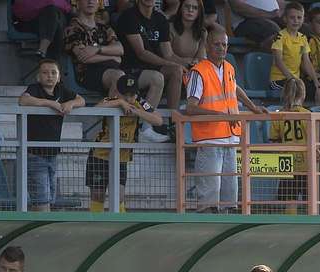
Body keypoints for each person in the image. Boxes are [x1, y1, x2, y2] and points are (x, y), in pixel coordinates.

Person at [186, 27, 267, 213]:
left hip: (230, 140)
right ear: (207, 47)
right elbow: (191, 108)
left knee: (229, 198)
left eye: (224, 44)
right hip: (210, 141)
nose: (221, 48)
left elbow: (235, 88)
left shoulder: (228, 68)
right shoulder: (198, 72)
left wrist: (252, 107)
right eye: (217, 44)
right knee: (209, 198)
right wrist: (220, 116)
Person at [87, 74, 162, 214]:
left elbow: (158, 120)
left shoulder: (140, 103)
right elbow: (96, 109)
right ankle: (95, 223)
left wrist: (136, 111)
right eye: (124, 95)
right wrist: (120, 103)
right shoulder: (110, 101)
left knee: (119, 195)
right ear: (116, 92)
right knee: (98, 195)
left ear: (137, 94)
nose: (128, 99)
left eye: (131, 95)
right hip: (99, 154)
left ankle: (119, 223)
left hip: (121, 157)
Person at [18, 59, 86, 212]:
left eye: (53, 73)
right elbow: (23, 100)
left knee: (46, 199)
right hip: (35, 153)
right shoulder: (35, 89)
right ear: (38, 77)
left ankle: (30, 224)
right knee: (42, 201)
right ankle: (41, 226)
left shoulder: (61, 90)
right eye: (45, 72)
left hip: (52, 154)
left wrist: (70, 104)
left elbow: (81, 100)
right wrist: (49, 103)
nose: (49, 76)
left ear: (59, 77)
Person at [116, 0, 185, 138]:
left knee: (176, 70)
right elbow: (141, 52)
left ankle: (173, 123)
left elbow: (169, 54)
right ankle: (145, 129)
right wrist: (168, 63)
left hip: (152, 68)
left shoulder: (160, 19)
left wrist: (188, 66)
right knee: (156, 77)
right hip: (130, 69)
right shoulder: (128, 16)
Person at [268, 3, 320, 106]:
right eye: (292, 17)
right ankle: (295, 115)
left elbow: (307, 62)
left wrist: (316, 81)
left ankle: (318, 116)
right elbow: (278, 60)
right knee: (296, 92)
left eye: (299, 18)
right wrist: (291, 78)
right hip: (279, 80)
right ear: (285, 18)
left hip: (296, 81)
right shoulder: (280, 36)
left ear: (303, 19)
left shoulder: (303, 38)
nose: (296, 21)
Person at [65, 0, 124, 97]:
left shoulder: (105, 28)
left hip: (109, 69)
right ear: (78, 4)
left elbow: (120, 49)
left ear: (98, 4)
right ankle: (111, 106)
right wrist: (113, 57)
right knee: (118, 76)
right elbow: (85, 58)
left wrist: (97, 48)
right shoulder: (73, 28)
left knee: (139, 80)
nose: (90, 1)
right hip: (86, 73)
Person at [269, 77, 310, 214]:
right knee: (310, 201)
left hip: (287, 164)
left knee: (290, 201)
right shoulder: (308, 115)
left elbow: (275, 143)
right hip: (307, 164)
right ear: (303, 94)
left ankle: (291, 224)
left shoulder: (279, 116)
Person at [169, 0, 207, 68]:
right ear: (180, 8)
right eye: (186, 6)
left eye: (195, 8)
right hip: (174, 67)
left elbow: (200, 57)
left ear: (199, 12)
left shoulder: (203, 32)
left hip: (194, 67)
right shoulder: (170, 28)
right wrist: (187, 63)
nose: (190, 10)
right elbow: (168, 55)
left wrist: (196, 61)